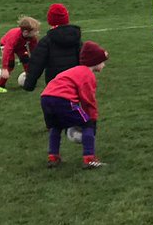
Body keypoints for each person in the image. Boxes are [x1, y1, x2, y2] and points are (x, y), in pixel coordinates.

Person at [40, 40, 109, 168]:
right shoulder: (87, 74)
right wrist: (92, 119)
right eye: (103, 62)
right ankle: (89, 159)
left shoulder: (73, 70)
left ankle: (53, 157)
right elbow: (88, 100)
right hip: (62, 100)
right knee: (86, 123)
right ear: (95, 62)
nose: (104, 65)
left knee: (56, 126)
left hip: (45, 98)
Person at [24, 4, 83, 90]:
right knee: (73, 102)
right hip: (74, 82)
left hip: (55, 84)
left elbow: (36, 63)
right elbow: (83, 58)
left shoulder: (46, 41)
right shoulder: (76, 39)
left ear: (50, 20)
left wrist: (29, 84)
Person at [0, 16, 40, 93]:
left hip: (20, 46)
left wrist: (35, 60)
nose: (37, 33)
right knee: (10, 64)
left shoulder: (32, 37)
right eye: (35, 31)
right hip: (6, 45)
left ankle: (29, 82)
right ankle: (0, 86)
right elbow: (7, 52)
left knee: (27, 62)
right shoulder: (14, 37)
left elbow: (34, 49)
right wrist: (4, 68)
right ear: (26, 32)